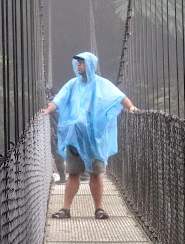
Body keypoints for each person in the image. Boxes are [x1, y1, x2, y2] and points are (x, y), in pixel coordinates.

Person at [42, 52, 138, 219]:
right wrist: (48, 110)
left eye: (83, 62)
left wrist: (131, 107)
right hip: (75, 137)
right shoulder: (72, 84)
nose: (78, 65)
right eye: (77, 62)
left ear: (91, 65)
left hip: (94, 139)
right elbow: (59, 100)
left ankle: (99, 209)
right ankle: (65, 209)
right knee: (73, 172)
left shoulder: (102, 84)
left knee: (95, 173)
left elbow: (120, 97)